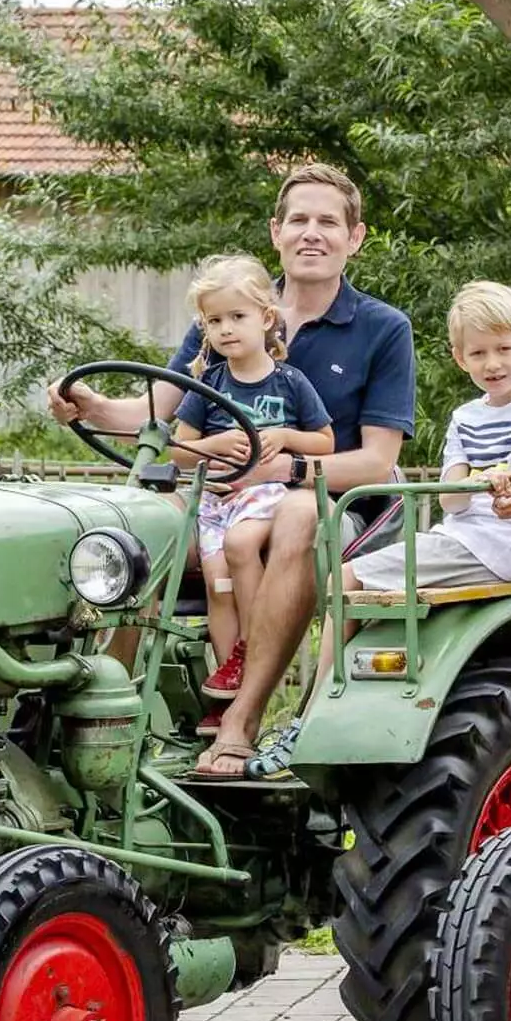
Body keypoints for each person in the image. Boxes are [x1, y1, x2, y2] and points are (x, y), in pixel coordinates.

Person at [46, 164, 415, 774]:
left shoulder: (381, 329)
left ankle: (242, 722)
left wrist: (288, 470)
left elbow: (376, 460)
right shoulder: (228, 310)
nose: (311, 233)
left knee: (295, 517)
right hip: (223, 498)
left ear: (355, 238)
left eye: (328, 221)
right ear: (276, 232)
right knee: (135, 525)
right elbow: (160, 416)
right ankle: (102, 719)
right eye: (299, 220)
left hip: (337, 506)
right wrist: (90, 406)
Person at [352, 282, 511, 594]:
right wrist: (477, 482)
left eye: (504, 349)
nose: (493, 364)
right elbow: (452, 502)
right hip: (458, 539)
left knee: (345, 577)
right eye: (478, 353)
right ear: (460, 359)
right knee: (359, 583)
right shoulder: (464, 418)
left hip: (496, 551)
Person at [168, 255, 335, 706]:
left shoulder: (289, 382)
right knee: (217, 580)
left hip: (265, 495)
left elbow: (324, 441)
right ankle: (231, 679)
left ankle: (251, 646)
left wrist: (282, 436)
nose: (225, 330)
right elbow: (179, 450)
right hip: (216, 496)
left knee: (241, 546)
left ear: (265, 318)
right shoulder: (209, 385)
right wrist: (215, 446)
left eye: (236, 317)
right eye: (214, 321)